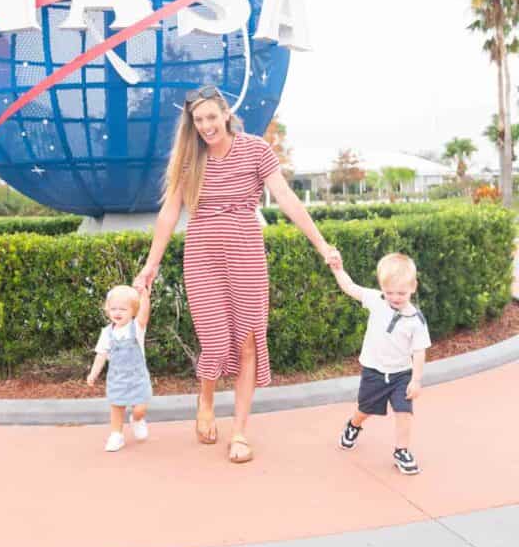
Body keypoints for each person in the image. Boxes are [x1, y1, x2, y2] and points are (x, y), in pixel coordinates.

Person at [133, 85, 340, 464]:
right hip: (202, 257)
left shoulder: (255, 150)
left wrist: (322, 245)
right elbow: (168, 214)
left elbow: (287, 198)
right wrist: (151, 264)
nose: (206, 126)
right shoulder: (188, 159)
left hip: (245, 254)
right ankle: (206, 401)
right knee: (213, 340)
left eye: (212, 117)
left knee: (247, 341)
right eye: (198, 120)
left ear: (226, 113)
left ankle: (240, 431)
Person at [330, 252, 431, 475]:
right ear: (382, 288)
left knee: (404, 412)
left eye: (401, 292)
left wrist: (415, 379)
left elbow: (419, 351)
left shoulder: (416, 320)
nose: (395, 297)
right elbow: (350, 287)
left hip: (400, 375)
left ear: (413, 287)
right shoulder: (376, 300)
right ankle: (353, 425)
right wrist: (338, 269)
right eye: (390, 292)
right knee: (365, 409)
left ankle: (401, 451)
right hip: (374, 372)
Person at [87, 283, 152, 452]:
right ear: (107, 309)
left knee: (140, 408)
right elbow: (101, 355)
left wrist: (144, 296)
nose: (117, 313)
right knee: (117, 407)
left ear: (133, 311)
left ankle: (137, 420)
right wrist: (93, 374)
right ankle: (116, 435)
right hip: (117, 378)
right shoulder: (107, 333)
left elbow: (144, 316)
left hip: (137, 377)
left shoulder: (136, 328)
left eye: (123, 309)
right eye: (113, 308)